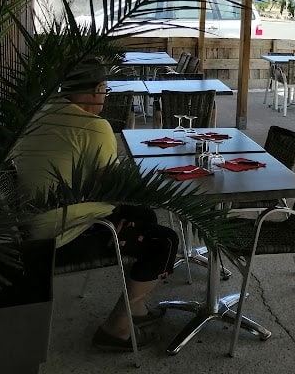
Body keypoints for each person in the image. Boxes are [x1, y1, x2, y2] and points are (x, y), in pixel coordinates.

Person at [13, 58, 179, 351]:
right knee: (163, 242)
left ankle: (135, 309)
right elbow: (114, 188)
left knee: (144, 215)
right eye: (105, 89)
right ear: (99, 89)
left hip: (31, 227)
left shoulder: (40, 113)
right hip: (65, 235)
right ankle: (116, 329)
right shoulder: (94, 127)